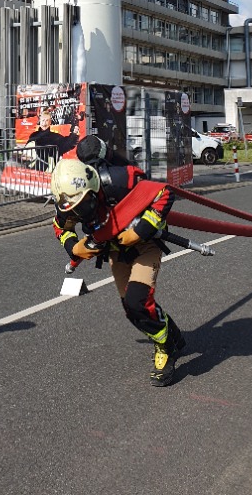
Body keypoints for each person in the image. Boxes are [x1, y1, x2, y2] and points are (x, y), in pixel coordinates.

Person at [50, 149, 183, 386]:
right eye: (76, 209)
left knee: (137, 300)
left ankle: (165, 347)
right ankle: (171, 334)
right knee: (133, 310)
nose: (82, 212)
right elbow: (60, 227)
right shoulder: (70, 202)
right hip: (114, 250)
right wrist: (73, 247)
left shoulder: (118, 180)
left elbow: (163, 194)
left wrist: (139, 231)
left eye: (86, 204)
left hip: (145, 244)